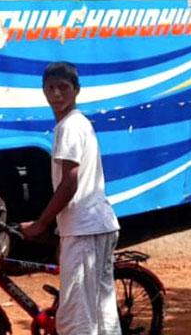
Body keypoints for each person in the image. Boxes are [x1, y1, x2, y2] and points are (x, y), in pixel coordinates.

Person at [20, 62, 121, 335]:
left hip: (85, 227)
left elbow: (70, 182)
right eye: (50, 88)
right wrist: (58, 229)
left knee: (76, 318)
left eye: (63, 88)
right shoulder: (78, 123)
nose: (56, 94)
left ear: (76, 90)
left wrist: (41, 224)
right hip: (98, 224)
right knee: (102, 312)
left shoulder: (69, 127)